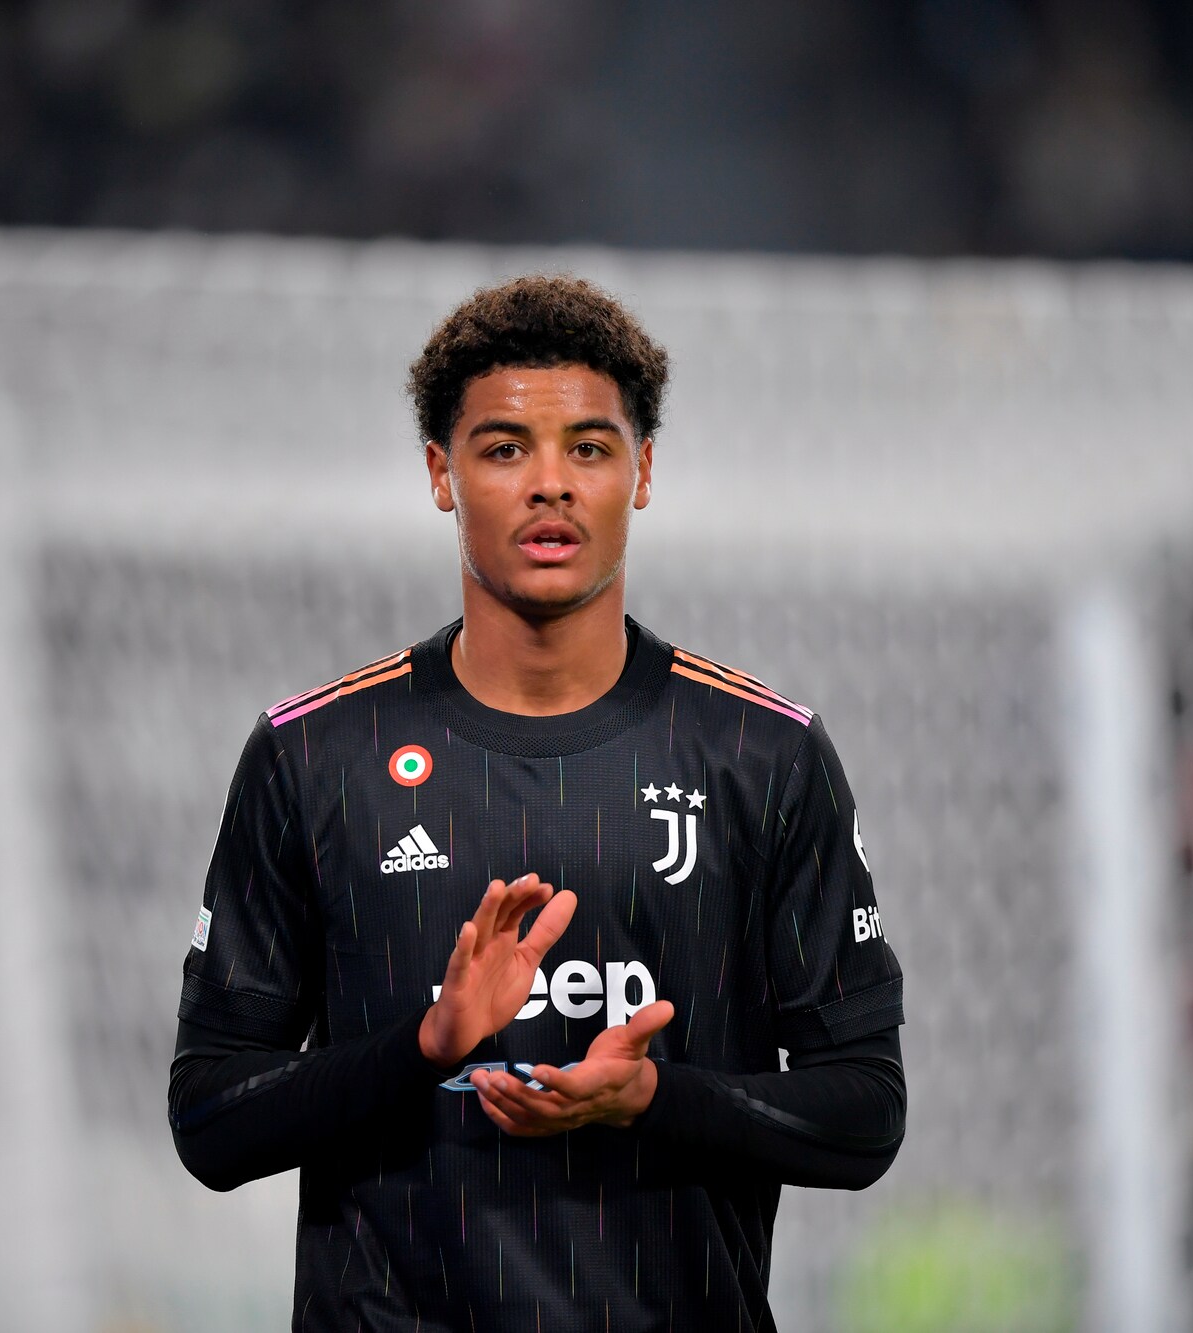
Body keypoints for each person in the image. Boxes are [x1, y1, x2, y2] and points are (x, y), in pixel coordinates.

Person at [169, 274, 905, 1331]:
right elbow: (209, 1118)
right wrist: (423, 1047)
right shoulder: (315, 756)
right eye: (505, 447)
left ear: (641, 471)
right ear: (441, 473)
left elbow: (867, 1110)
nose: (549, 484)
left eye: (589, 448)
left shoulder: (764, 754)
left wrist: (652, 1096)